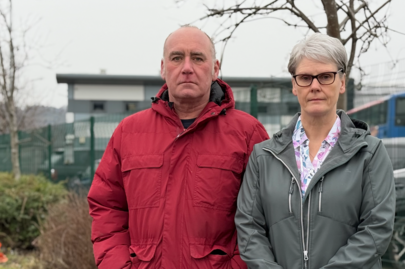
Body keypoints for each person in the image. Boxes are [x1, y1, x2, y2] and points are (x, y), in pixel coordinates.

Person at [88, 25, 269, 269]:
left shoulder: (248, 134)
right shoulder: (128, 132)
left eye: (197, 58)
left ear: (215, 69)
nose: (186, 67)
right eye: (176, 58)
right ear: (163, 68)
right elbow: (107, 206)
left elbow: (263, 215)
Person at [235, 33, 395, 269]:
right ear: (294, 85)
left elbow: (376, 228)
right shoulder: (264, 157)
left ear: (341, 83)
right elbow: (249, 228)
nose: (315, 86)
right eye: (305, 77)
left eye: (325, 76)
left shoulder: (369, 154)